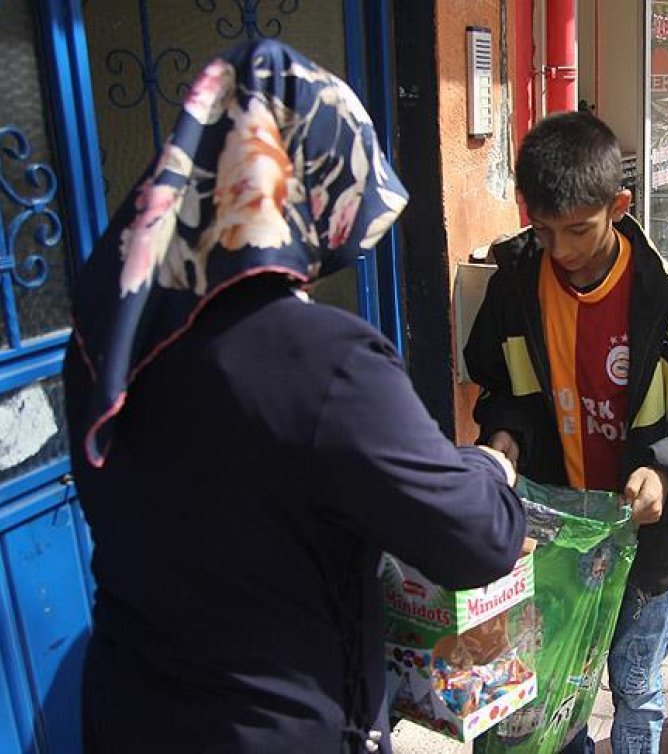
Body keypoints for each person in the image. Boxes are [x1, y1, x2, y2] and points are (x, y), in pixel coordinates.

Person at [62, 40, 528, 753]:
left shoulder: (108, 341)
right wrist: (491, 467)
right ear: (309, 183)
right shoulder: (328, 363)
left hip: (129, 712)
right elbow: (478, 539)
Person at [464, 111, 668, 754]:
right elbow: (500, 388)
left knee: (637, 688)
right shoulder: (515, 286)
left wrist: (667, 475)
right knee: (551, 682)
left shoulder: (667, 303)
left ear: (619, 205)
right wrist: (504, 436)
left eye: (580, 230)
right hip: (551, 541)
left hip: (640, 547)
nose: (562, 251)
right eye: (544, 229)